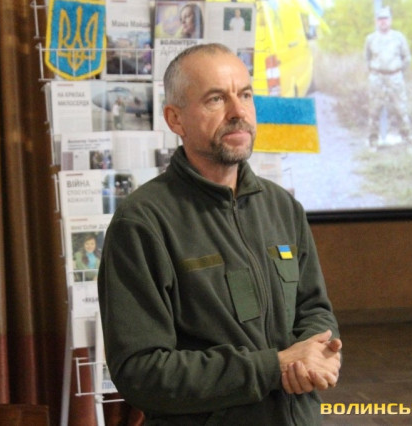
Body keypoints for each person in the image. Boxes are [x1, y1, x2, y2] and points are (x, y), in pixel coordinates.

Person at [97, 43, 342, 425]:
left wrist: (317, 351)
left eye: (245, 95)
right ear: (175, 119)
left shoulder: (281, 206)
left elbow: (314, 308)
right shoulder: (142, 223)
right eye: (216, 99)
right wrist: (272, 367)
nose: (238, 112)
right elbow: (140, 372)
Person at [364, 6, 412, 151]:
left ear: (390, 20)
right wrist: (374, 72)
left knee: (401, 110)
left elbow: (407, 58)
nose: (383, 21)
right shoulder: (370, 39)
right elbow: (367, 58)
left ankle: (408, 141)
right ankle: (373, 143)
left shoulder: (399, 37)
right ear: (376, 21)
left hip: (395, 78)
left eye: (385, 18)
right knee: (374, 111)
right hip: (377, 78)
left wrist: (398, 70)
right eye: (380, 19)